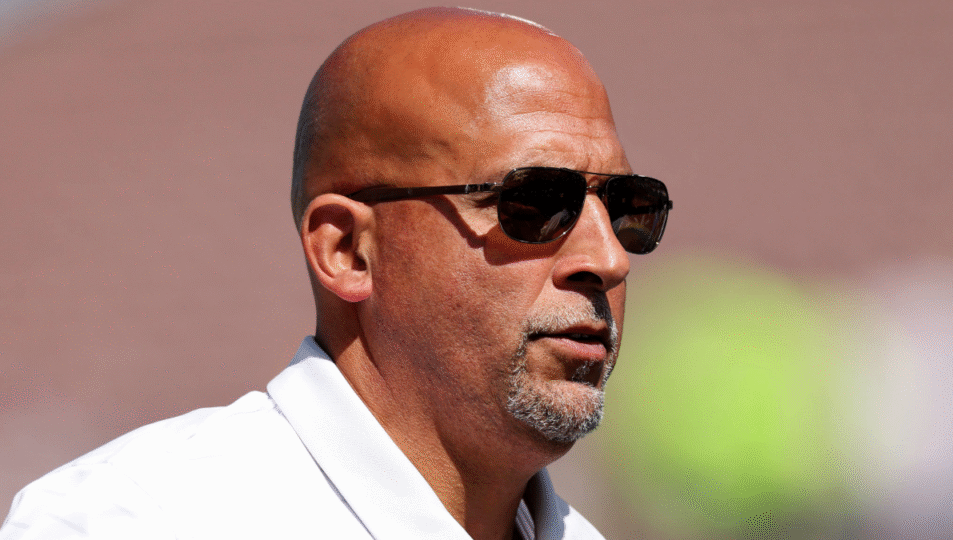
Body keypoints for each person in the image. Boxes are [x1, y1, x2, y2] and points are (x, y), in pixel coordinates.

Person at [1, 7, 672, 540]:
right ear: (348, 250)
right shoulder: (131, 523)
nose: (607, 257)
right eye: (533, 204)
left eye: (625, 209)